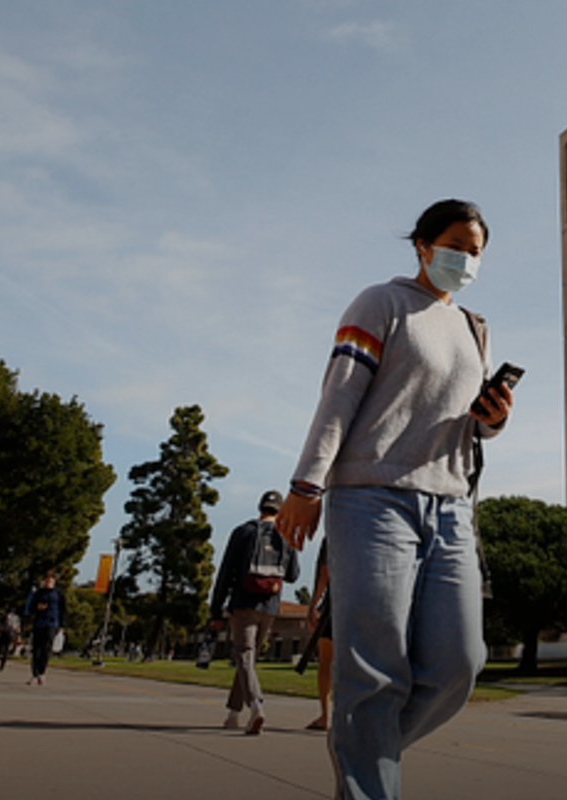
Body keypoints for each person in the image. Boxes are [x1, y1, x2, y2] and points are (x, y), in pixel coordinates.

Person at [276, 199, 513, 800]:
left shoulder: (473, 327)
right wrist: (305, 486)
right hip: (373, 500)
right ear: (424, 246)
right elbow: (339, 399)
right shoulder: (381, 303)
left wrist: (493, 420)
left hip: (452, 505)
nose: (467, 258)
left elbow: (462, 423)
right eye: (458, 244)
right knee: (374, 669)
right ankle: (368, 781)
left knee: (461, 663)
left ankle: (365, 755)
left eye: (477, 251)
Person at [208, 490, 298, 735]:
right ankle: (233, 714)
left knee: (243, 655)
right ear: (280, 510)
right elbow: (293, 575)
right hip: (269, 605)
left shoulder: (243, 532)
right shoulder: (286, 534)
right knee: (248, 658)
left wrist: (216, 611)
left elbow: (226, 573)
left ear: (260, 508)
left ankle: (256, 705)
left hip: (243, 602)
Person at [301, 540, 335, 731]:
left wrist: (313, 605)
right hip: (364, 604)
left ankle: (325, 715)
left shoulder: (335, 533)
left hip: (335, 604)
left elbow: (325, 572)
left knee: (326, 660)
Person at [24, 572, 64, 686]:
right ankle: (34, 674)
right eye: (47, 581)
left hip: (52, 624)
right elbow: (30, 608)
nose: (48, 583)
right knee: (36, 650)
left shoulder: (59, 594)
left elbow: (63, 610)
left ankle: (42, 673)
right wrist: (37, 607)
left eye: (51, 581)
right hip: (39, 624)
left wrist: (61, 626)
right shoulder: (38, 593)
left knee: (46, 650)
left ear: (54, 582)